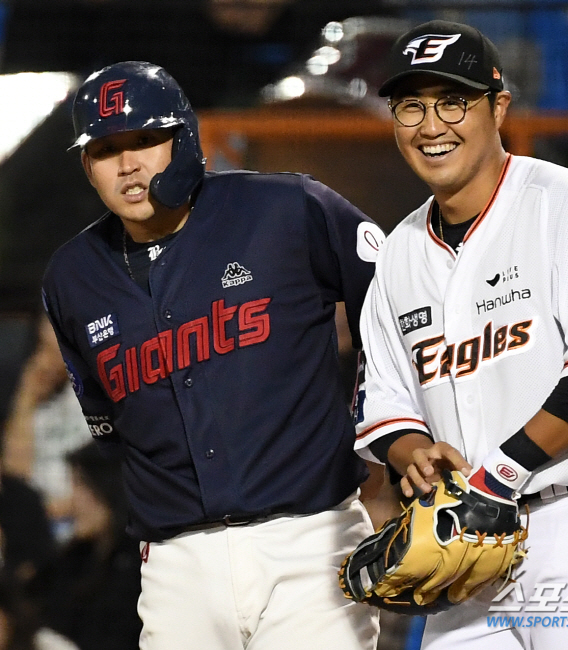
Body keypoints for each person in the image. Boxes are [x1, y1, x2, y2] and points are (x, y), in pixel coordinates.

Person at [40, 61, 384, 650]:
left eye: (147, 140)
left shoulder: (286, 209)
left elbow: (397, 307)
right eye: (106, 149)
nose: (128, 164)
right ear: (85, 166)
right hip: (176, 565)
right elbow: (109, 425)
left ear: (186, 138)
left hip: (311, 540)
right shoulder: (72, 278)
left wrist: (385, 428)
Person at [353, 20, 568, 650]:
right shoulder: (398, 253)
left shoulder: (564, 202)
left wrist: (499, 473)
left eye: (452, 102)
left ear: (499, 107)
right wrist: (413, 454)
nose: (431, 125)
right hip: (465, 544)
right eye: (411, 106)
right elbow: (384, 405)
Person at [29, 441, 142, 650]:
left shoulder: (140, 568)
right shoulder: (75, 558)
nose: (73, 501)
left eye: (82, 485)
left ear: (111, 487)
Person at [3, 313, 91, 537]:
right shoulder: (33, 403)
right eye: (42, 347)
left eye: (55, 351)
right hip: (35, 526)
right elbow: (14, 475)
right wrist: (27, 396)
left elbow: (107, 483)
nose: (44, 360)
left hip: (79, 523)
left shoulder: (95, 397)